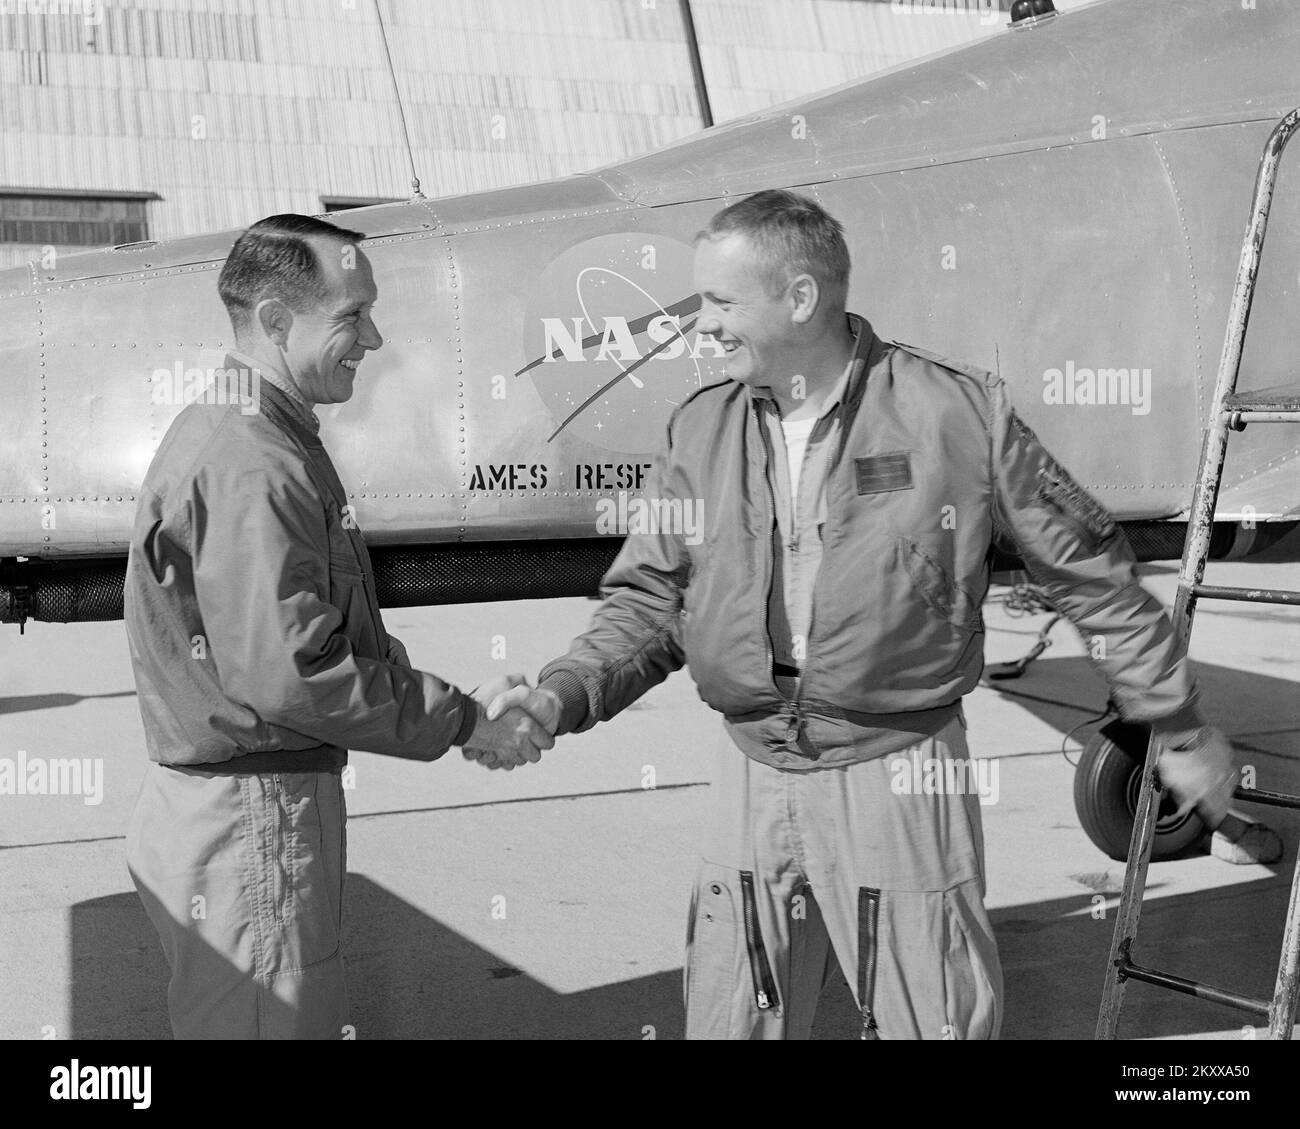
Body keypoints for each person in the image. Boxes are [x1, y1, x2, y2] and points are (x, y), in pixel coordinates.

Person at [473, 189, 1244, 1040]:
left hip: (901, 772)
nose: (701, 325)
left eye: (721, 302)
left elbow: (1091, 572)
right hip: (751, 774)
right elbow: (653, 598)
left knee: (933, 1023)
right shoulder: (701, 427)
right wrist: (562, 693)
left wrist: (1172, 723)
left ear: (800, 299)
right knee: (735, 1021)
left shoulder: (957, 412)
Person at [123, 214, 550, 1039]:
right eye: (352, 315)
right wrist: (462, 720)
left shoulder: (264, 435)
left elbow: (328, 631)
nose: (375, 336)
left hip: (249, 815)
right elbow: (291, 673)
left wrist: (461, 710)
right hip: (252, 821)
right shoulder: (254, 458)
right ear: (278, 321)